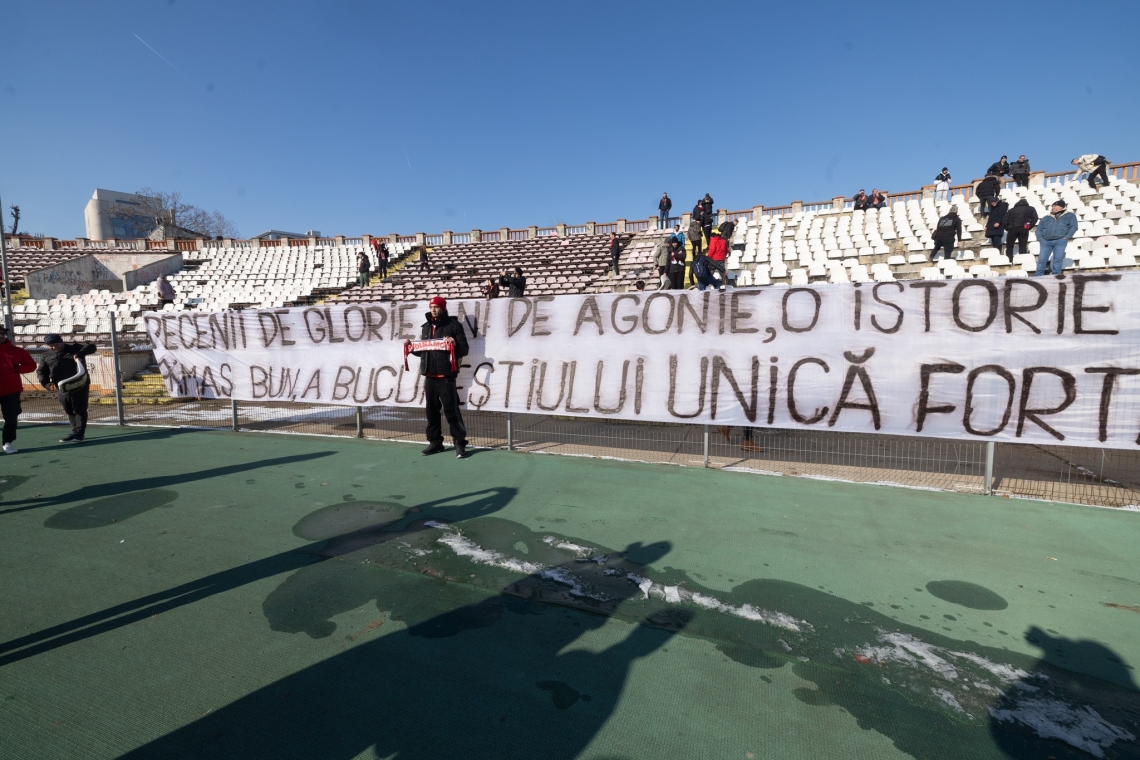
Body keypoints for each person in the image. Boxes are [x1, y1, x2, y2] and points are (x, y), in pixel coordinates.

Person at [405, 297, 469, 458]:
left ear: (443, 308)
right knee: (431, 411)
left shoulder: (454, 326)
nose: (433, 309)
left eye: (436, 307)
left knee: (451, 411)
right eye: (431, 306)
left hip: (446, 375)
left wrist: (454, 343)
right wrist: (411, 347)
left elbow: (464, 349)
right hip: (429, 375)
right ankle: (435, 442)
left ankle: (459, 442)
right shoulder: (426, 327)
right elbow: (423, 351)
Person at [37, 334, 96, 444]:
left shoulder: (75, 348)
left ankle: (79, 434)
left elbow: (92, 347)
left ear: (62, 341)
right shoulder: (46, 355)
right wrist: (46, 384)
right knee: (68, 409)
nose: (55, 347)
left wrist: (80, 354)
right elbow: (41, 371)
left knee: (79, 409)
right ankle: (75, 432)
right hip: (61, 387)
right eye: (51, 346)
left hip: (79, 384)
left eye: (56, 344)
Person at [0, 324, 37, 454]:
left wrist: (17, 369)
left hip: (11, 390)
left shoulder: (17, 351)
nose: (1, 335)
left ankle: (7, 443)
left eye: (3, 333)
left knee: (11, 418)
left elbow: (31, 365)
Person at [1034, 200, 1078, 276]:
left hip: (1060, 240)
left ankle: (1056, 276)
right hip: (1046, 241)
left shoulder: (1070, 215)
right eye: (1052, 206)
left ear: (1061, 207)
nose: (1052, 207)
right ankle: (1038, 276)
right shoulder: (1046, 217)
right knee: (1042, 260)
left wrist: (1066, 237)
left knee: (1058, 259)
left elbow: (1074, 227)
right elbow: (1039, 229)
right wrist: (1040, 239)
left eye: (1055, 206)